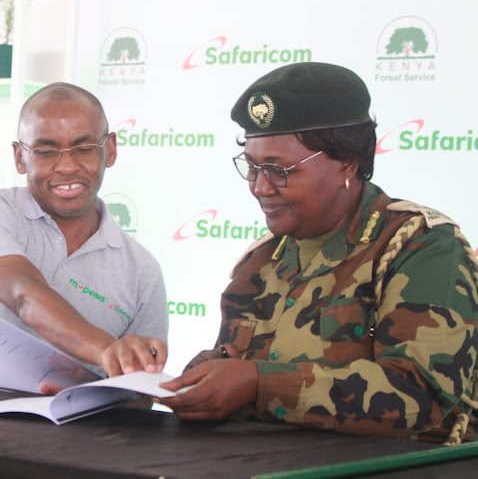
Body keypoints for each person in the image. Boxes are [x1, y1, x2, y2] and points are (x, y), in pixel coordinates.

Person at [157, 62, 478, 443]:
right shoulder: (262, 260)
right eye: (252, 167)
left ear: (346, 159)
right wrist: (208, 376)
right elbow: (235, 363)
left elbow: (419, 396)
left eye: (279, 170)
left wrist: (258, 384)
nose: (260, 187)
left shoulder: (419, 248)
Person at [0, 82, 168, 379]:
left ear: (110, 150)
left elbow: (139, 394)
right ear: (20, 157)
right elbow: (24, 296)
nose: (66, 166)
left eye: (84, 148)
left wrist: (92, 385)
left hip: (72, 424)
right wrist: (105, 351)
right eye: (46, 151)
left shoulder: (142, 271)